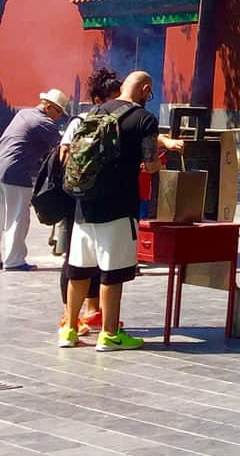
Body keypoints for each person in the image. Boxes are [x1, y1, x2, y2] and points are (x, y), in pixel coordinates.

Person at [62, 70, 163, 351]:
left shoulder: (94, 112)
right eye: (149, 92)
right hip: (118, 208)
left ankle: (69, 330)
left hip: (84, 205)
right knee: (112, 273)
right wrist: (158, 165)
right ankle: (109, 334)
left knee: (79, 270)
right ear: (144, 89)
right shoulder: (145, 118)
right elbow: (149, 162)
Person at [55, 67, 121, 335]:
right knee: (75, 259)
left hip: (100, 198)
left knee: (96, 257)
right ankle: (67, 316)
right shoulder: (79, 122)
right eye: (113, 98)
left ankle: (93, 310)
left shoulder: (115, 123)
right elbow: (63, 158)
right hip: (76, 200)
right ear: (98, 99)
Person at [0, 88, 68, 270]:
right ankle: (14, 261)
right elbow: (63, 148)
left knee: (1, 217)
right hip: (17, 173)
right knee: (17, 218)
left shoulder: (24, 114)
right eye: (59, 111)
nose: (59, 116)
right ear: (49, 106)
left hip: (1, 166)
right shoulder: (44, 122)